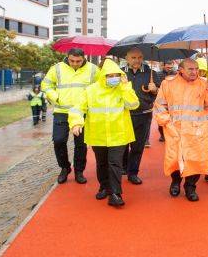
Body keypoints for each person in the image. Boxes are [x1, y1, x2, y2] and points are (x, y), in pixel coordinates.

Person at [69, 59, 140, 207]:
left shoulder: (123, 88)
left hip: (118, 134)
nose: (113, 77)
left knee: (115, 163)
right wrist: (76, 122)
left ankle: (115, 193)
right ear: (103, 76)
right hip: (98, 134)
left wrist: (126, 87)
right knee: (101, 163)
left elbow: (133, 105)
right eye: (110, 75)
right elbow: (77, 108)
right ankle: (104, 186)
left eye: (116, 74)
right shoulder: (91, 90)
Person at [154, 59, 208, 202]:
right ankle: (175, 182)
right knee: (174, 158)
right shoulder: (168, 84)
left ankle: (190, 187)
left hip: (197, 130)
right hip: (175, 129)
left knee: (196, 159)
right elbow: (160, 104)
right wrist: (166, 122)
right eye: (190, 69)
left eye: (196, 69)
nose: (194, 72)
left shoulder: (205, 83)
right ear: (181, 69)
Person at [41, 48, 98, 184]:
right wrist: (56, 97)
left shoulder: (93, 69)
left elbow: (99, 86)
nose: (75, 63)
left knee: (81, 144)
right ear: (68, 57)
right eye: (72, 60)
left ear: (84, 58)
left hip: (82, 112)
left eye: (78, 61)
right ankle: (65, 168)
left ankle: (79, 171)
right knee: (59, 141)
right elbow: (46, 84)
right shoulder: (57, 68)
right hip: (62, 111)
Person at [121, 47, 161, 184]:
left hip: (143, 115)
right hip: (124, 115)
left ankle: (133, 172)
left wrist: (155, 90)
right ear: (126, 58)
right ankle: (124, 167)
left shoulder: (151, 73)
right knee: (123, 144)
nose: (137, 60)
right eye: (133, 58)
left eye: (139, 57)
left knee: (138, 146)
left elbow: (160, 94)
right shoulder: (119, 74)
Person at [156, 60, 178, 142]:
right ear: (164, 65)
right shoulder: (158, 74)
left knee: (172, 118)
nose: (169, 68)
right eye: (168, 66)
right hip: (161, 99)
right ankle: (162, 134)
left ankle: (171, 134)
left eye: (171, 66)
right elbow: (157, 85)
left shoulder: (176, 74)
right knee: (161, 118)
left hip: (173, 99)